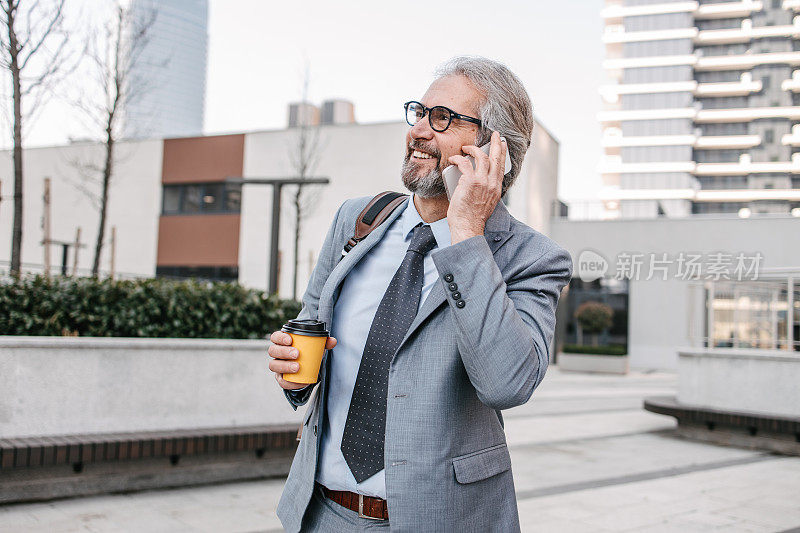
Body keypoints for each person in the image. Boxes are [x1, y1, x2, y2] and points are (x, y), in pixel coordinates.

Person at [268, 56, 573, 532]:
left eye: (443, 118)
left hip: (440, 521)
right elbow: (310, 330)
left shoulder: (532, 258)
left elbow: (507, 383)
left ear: (495, 152)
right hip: (321, 513)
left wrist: (467, 234)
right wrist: (294, 371)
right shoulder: (356, 219)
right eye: (420, 112)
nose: (419, 130)